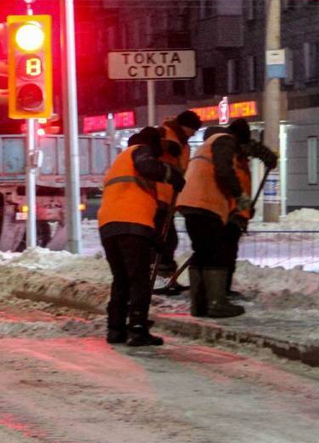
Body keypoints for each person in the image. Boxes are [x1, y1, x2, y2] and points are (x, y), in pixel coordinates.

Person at [98, 126, 186, 346]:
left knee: (121, 279)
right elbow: (148, 166)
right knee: (139, 280)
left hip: (109, 226)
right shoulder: (140, 151)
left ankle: (115, 329)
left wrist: (155, 239)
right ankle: (137, 329)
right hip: (131, 224)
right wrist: (170, 174)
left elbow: (140, 198)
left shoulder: (120, 162)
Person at [177, 119, 251, 318]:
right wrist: (239, 195)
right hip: (206, 203)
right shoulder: (225, 140)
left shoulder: (207, 144)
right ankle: (217, 303)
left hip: (191, 203)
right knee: (215, 254)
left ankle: (199, 305)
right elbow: (224, 170)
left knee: (201, 253)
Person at [152, 110, 202, 295]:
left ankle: (165, 278)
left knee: (168, 239)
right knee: (164, 239)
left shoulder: (185, 145)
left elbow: (182, 171)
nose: (194, 134)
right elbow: (151, 148)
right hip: (156, 197)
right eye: (193, 130)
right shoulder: (164, 133)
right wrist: (165, 145)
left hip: (170, 198)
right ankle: (158, 278)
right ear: (184, 126)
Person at [225, 129, 278, 297]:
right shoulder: (228, 154)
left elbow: (253, 149)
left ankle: (221, 288)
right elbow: (233, 187)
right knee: (223, 253)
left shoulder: (237, 155)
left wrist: (269, 157)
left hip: (236, 212)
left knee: (228, 253)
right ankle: (218, 291)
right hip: (228, 212)